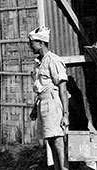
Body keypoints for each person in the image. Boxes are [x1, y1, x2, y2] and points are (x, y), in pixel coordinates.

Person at [28, 26, 69, 170]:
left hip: (53, 105)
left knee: (58, 143)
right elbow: (40, 89)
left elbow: (63, 90)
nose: (30, 46)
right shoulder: (39, 62)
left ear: (41, 43)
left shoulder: (53, 60)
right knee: (51, 142)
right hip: (43, 104)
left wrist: (65, 115)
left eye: (31, 42)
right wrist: (34, 108)